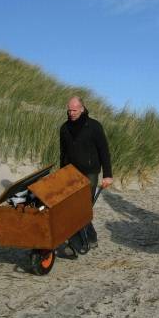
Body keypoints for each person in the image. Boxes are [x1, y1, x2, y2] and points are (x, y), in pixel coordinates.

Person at [59, 96, 114, 257]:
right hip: (71, 173)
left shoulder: (94, 126)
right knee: (74, 208)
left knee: (82, 207)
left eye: (74, 110)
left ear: (82, 109)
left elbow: (104, 150)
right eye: (69, 110)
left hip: (90, 172)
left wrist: (108, 175)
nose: (71, 113)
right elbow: (63, 154)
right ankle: (90, 237)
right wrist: (62, 175)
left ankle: (77, 243)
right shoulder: (64, 128)